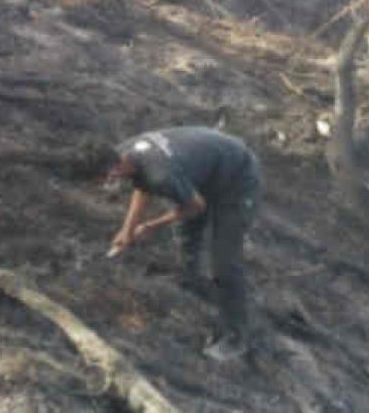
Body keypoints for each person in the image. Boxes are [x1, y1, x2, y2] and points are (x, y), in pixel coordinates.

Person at [104, 126, 262, 361]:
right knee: (187, 232)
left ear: (117, 166)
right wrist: (127, 230)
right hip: (207, 169)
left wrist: (150, 226)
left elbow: (194, 206)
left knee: (225, 262)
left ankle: (236, 337)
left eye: (108, 178)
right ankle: (192, 281)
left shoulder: (161, 173)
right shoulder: (125, 153)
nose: (108, 183)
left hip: (237, 179)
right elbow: (142, 184)